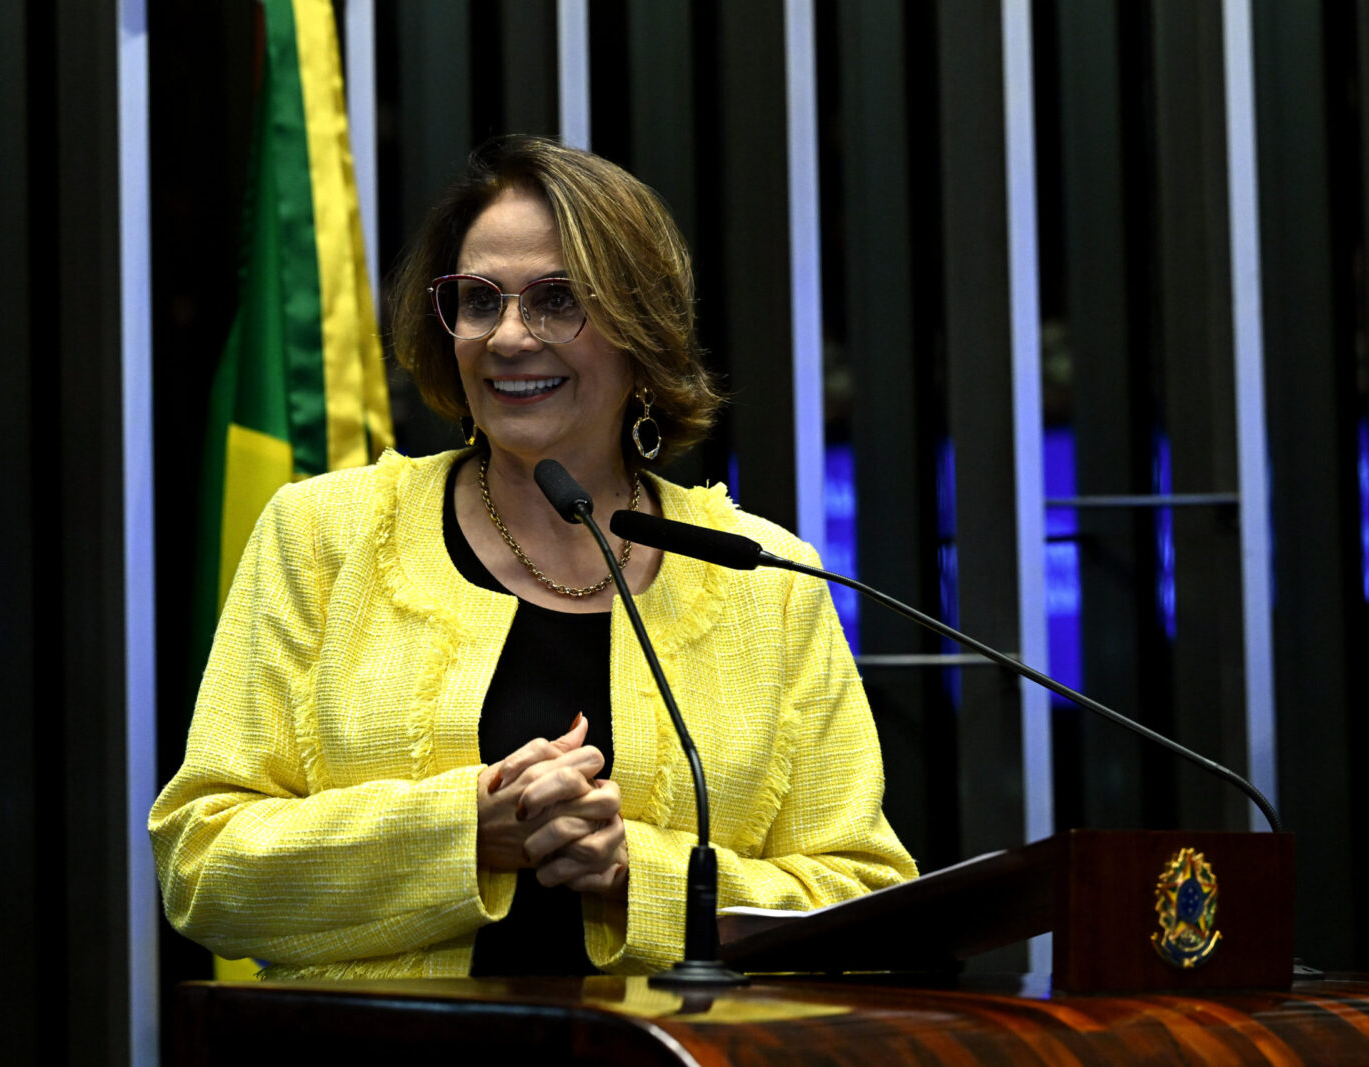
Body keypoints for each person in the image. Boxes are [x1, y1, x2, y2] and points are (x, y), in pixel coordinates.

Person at [149, 135, 916, 980]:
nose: (509, 336)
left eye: (557, 300)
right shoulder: (321, 535)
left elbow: (865, 902)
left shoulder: (765, 579)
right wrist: (469, 831)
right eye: (478, 300)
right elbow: (201, 868)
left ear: (640, 328)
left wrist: (636, 873)